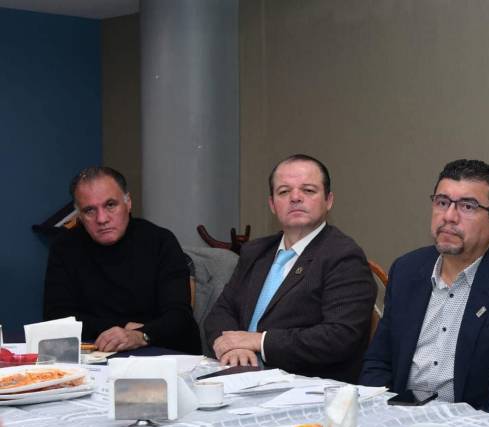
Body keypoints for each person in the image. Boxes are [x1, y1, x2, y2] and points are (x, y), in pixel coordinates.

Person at [360, 159, 489, 410]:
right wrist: (376, 411)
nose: (449, 216)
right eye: (442, 202)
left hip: (474, 421)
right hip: (401, 414)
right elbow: (378, 361)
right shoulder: (407, 270)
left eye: (467, 206)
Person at [204, 154, 376, 383]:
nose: (295, 197)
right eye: (284, 192)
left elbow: (340, 337)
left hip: (305, 385)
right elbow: (221, 312)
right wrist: (235, 348)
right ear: (272, 204)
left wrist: (259, 341)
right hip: (241, 375)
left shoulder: (343, 256)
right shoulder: (255, 252)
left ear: (329, 200)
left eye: (308, 190)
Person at [43, 166, 201, 354]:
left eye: (110, 205)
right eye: (89, 210)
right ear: (80, 215)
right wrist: (124, 327)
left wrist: (141, 335)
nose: (102, 219)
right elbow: (56, 319)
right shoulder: (65, 246)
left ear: (128, 203)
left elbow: (179, 318)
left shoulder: (160, 241)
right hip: (95, 355)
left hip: (163, 353)